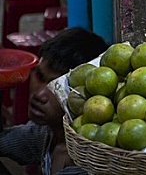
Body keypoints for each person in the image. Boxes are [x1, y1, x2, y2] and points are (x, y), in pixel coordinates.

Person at [0, 27, 109, 175]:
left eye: (56, 86)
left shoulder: (83, 163)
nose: (39, 94)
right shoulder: (47, 133)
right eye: (39, 77)